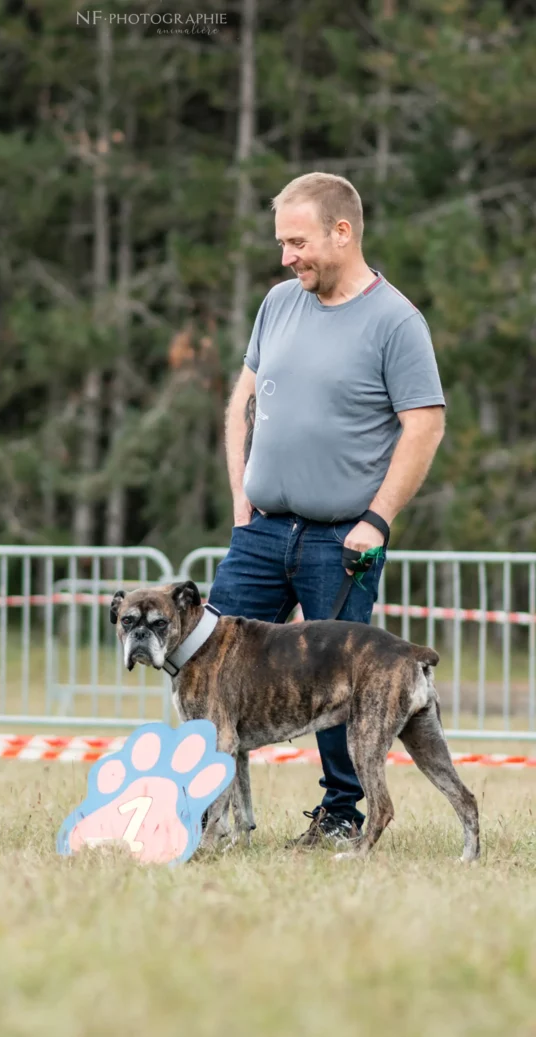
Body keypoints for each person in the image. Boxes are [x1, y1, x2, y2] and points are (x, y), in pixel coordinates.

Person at [208, 172, 445, 848]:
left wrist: (378, 518)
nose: (287, 256)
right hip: (260, 533)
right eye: (283, 241)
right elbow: (242, 401)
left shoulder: (396, 321)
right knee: (207, 664)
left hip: (342, 537)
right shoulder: (278, 304)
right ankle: (209, 808)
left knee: (337, 680)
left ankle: (341, 814)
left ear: (343, 232)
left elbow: (424, 425)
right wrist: (240, 495)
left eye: (298, 241)